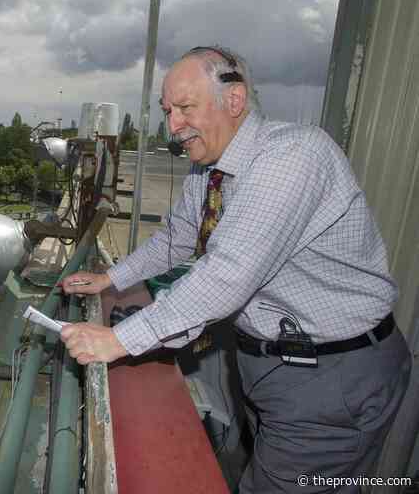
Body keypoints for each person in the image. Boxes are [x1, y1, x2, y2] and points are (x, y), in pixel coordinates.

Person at [60, 46, 411, 493]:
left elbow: (229, 272)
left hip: (334, 374)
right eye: (168, 112)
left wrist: (118, 341)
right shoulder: (209, 172)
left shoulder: (293, 156)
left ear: (234, 100)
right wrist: (112, 278)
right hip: (273, 364)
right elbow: (177, 238)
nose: (173, 126)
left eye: (185, 108)